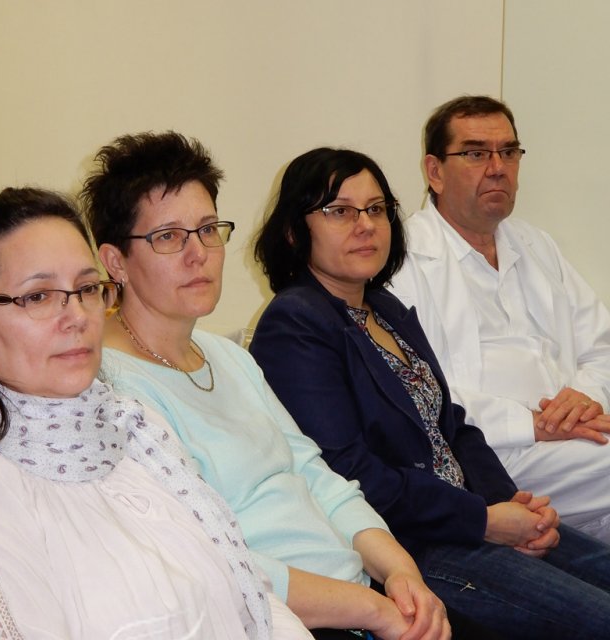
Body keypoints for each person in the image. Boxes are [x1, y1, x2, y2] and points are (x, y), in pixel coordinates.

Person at [0, 186, 311, 640]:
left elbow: (245, 589)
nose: (76, 315)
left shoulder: (132, 428)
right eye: (38, 296)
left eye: (87, 289)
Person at [81, 131, 450, 640]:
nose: (198, 253)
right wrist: (370, 609)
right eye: (168, 237)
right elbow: (210, 561)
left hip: (358, 594)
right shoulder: (109, 390)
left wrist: (400, 571)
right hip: (279, 620)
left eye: (208, 229)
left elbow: (315, 474)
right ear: (115, 261)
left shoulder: (228, 356)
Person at [249, 146, 610, 639]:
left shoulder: (384, 308)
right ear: (294, 231)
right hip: (412, 548)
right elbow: (347, 472)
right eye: (340, 211)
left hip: (469, 520)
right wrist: (483, 520)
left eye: (376, 209)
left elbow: (452, 424)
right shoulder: (294, 323)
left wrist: (512, 505)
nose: (366, 225)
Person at [388, 95, 610, 543]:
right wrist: (532, 423)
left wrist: (581, 401)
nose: (497, 168)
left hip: (574, 442)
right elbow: (418, 390)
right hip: (490, 454)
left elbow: (600, 346)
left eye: (508, 152)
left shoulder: (535, 244)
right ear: (434, 171)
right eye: (475, 154)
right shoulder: (400, 259)